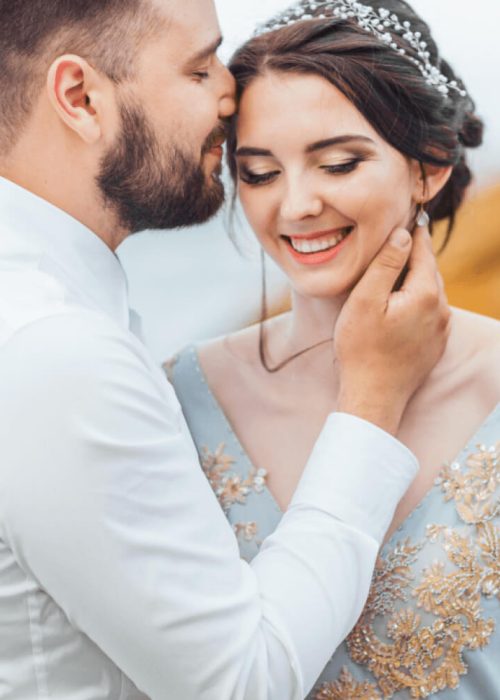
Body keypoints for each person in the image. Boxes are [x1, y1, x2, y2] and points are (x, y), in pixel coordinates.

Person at [0, 0, 450, 698]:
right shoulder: (60, 350)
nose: (228, 92)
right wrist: (372, 399)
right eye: (197, 65)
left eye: (335, 161)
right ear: (81, 97)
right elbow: (238, 683)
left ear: (429, 169)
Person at [168, 0, 500, 698]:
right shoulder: (178, 398)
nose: (294, 207)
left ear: (429, 168)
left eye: (338, 164)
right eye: (258, 173)